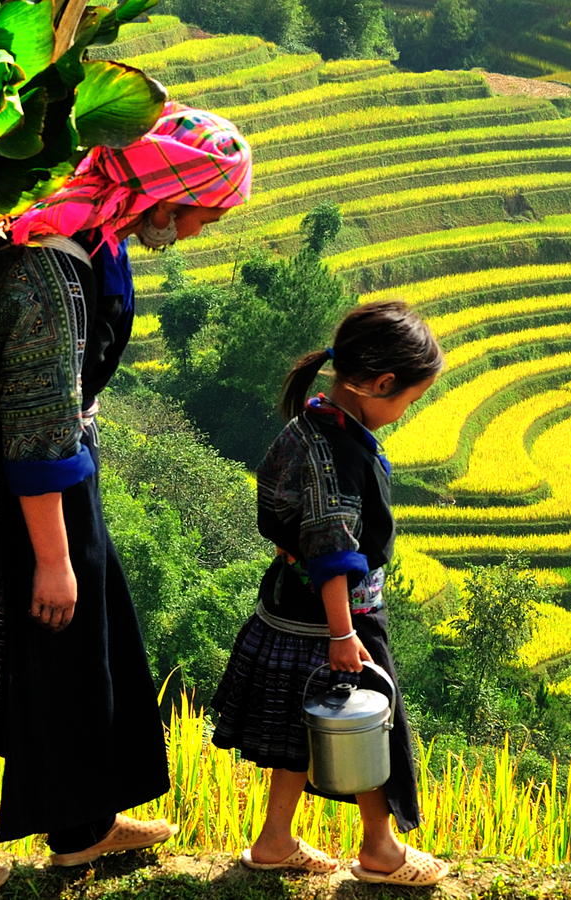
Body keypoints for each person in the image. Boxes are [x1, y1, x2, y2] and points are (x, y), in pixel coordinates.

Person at [0, 105, 253, 893]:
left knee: (76, 656)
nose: (204, 228)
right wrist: (56, 557)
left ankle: (84, 826)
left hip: (50, 474)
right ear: (169, 193)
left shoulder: (96, 237)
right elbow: (35, 425)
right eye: (207, 210)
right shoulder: (46, 268)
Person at [210, 300, 450, 888]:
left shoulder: (312, 424)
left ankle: (274, 841)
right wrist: (344, 634)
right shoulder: (334, 451)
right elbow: (329, 547)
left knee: (303, 729)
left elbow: (289, 522)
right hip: (337, 617)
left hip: (290, 606)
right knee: (368, 721)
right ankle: (381, 850)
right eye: (407, 400)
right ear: (381, 384)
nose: (402, 411)